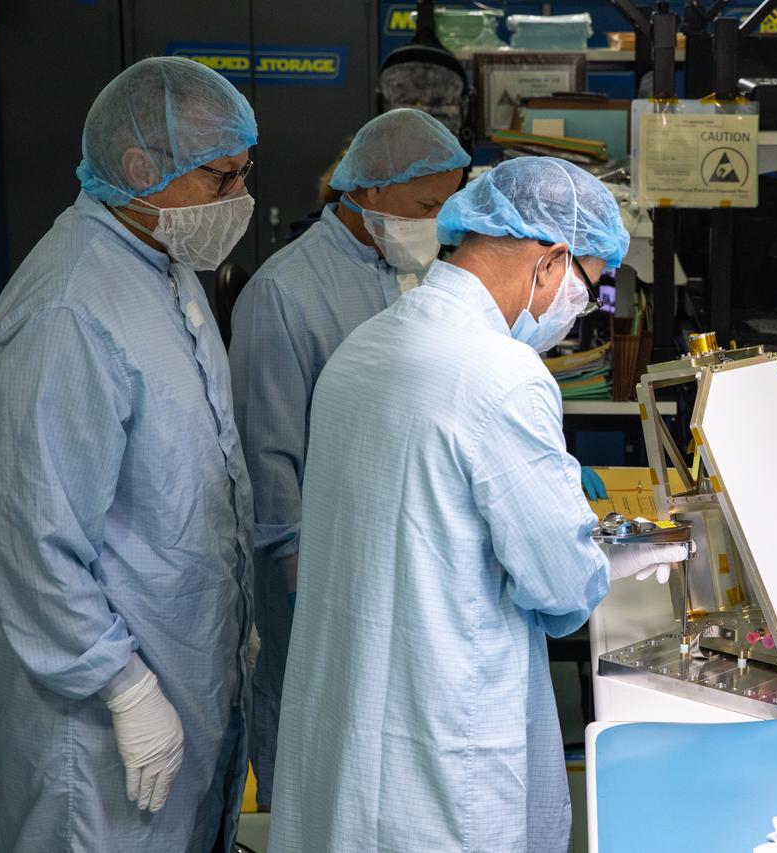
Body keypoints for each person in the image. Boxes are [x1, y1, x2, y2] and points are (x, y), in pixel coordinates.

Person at [268, 156, 688, 852]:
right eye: (589, 286)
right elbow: (560, 592)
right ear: (549, 263)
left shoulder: (361, 348)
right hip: (441, 759)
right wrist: (585, 541)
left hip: (348, 741)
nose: (582, 307)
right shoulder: (503, 374)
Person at [0, 56, 257, 852]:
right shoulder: (70, 309)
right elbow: (35, 543)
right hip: (95, 717)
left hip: (179, 664)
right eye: (221, 178)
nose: (240, 199)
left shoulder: (164, 266)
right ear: (140, 170)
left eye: (244, 174)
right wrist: (124, 685)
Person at [228, 107, 468, 809]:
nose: (441, 220)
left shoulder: (413, 268)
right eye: (428, 205)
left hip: (401, 561)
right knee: (314, 746)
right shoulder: (285, 292)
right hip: (317, 576)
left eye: (452, 202)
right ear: (368, 192)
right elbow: (267, 460)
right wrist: (311, 589)